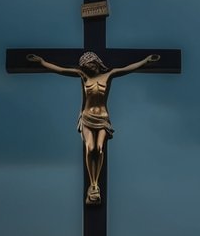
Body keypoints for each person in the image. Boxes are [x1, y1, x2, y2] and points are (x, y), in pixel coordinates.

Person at [26, 50, 160, 204]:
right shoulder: (84, 77)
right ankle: (93, 184)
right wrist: (43, 63)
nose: (88, 67)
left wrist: (145, 61)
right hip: (87, 117)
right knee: (90, 149)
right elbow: (62, 70)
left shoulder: (109, 75)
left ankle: (95, 184)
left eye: (89, 64)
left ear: (95, 62)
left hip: (103, 118)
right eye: (85, 66)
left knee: (100, 149)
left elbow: (127, 68)